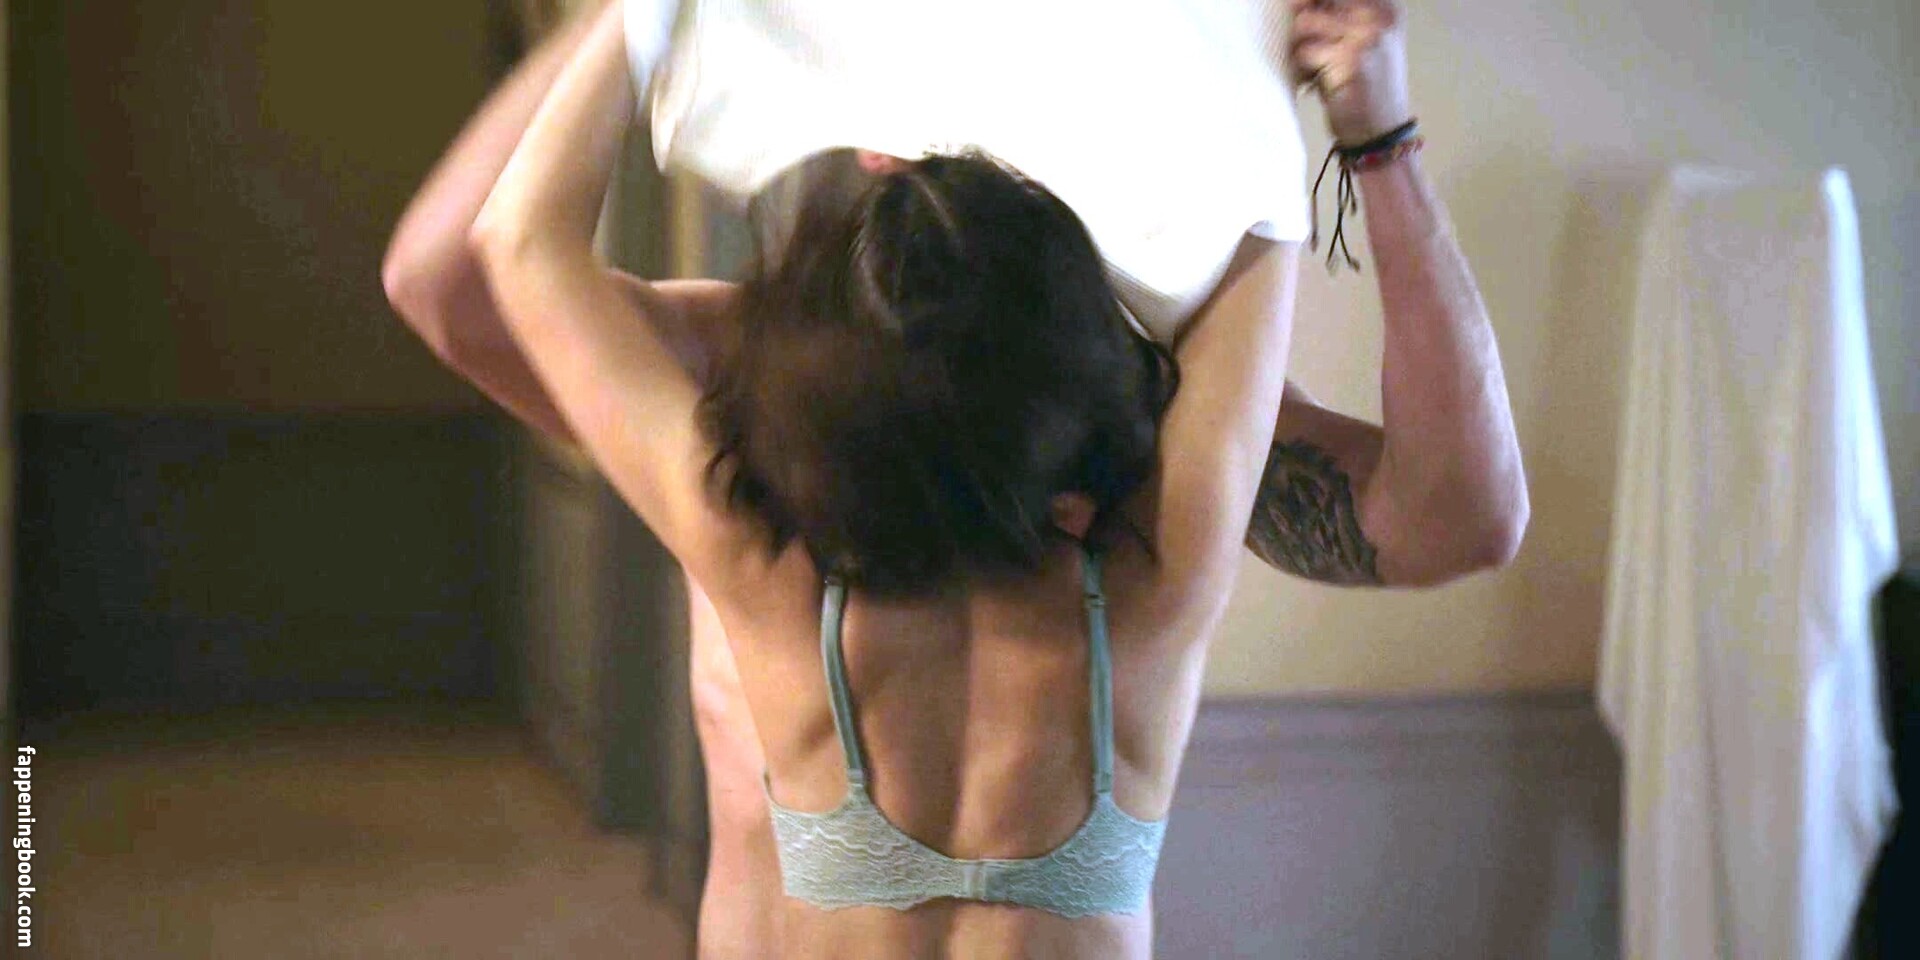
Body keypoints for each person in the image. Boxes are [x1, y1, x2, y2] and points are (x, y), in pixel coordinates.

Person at [382, 1, 1527, 956]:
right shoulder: (1150, 516)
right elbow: (1262, 222)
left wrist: (1381, 148)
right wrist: (1295, 103)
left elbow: (1460, 517)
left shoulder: (1122, 415)